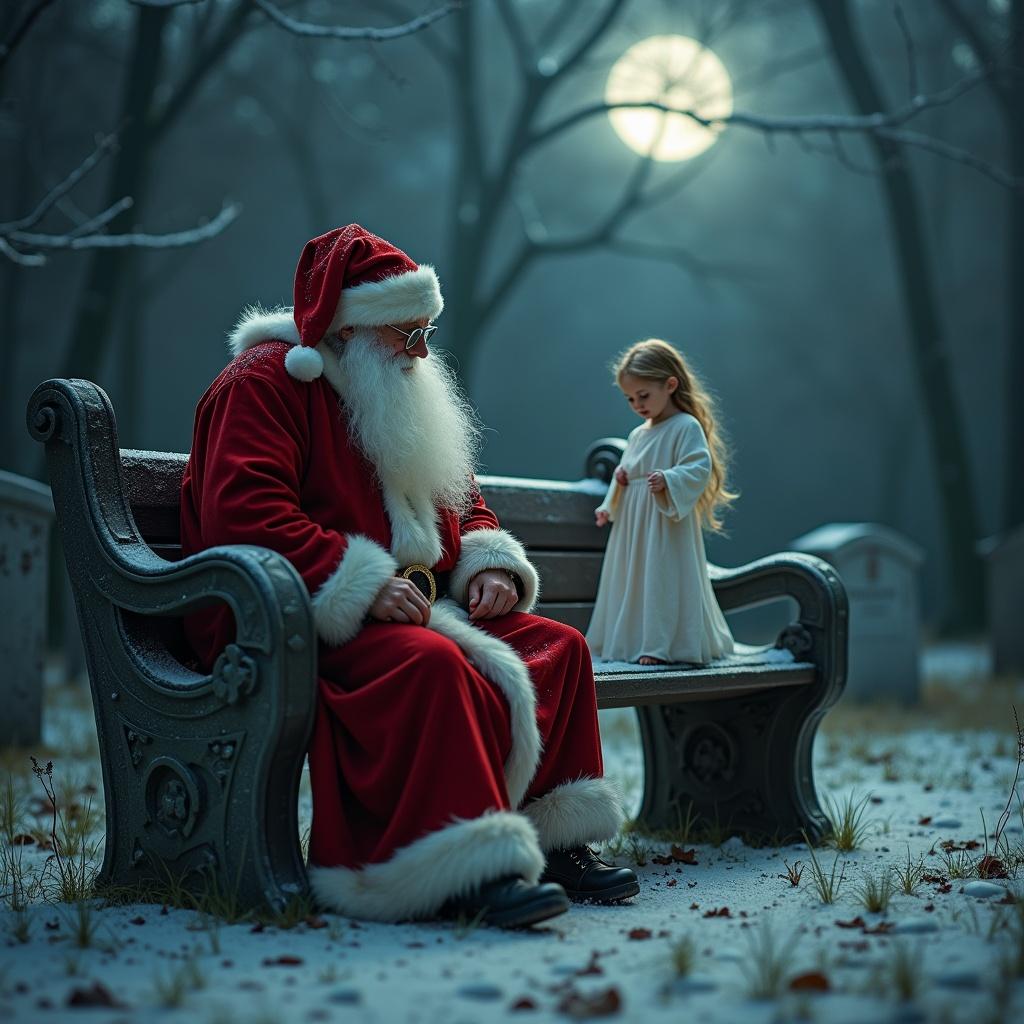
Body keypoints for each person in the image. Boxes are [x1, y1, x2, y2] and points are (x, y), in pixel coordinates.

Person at [179, 224, 638, 928]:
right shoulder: (266, 383)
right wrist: (353, 578)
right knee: (432, 667)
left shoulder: (395, 385)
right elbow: (242, 512)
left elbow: (464, 502)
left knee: (557, 649)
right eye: (406, 334)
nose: (421, 352)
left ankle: (557, 842)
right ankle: (454, 868)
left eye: (425, 331)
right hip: (294, 616)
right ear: (351, 327)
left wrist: (491, 566)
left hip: (414, 607)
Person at [586, 339, 737, 666]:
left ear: (670, 385)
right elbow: (626, 470)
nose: (637, 405)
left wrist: (669, 479)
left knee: (661, 578)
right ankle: (632, 640)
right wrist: (615, 494)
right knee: (633, 580)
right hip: (633, 525)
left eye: (644, 396)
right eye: (630, 398)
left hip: (664, 522)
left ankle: (661, 645)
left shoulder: (685, 426)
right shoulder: (639, 434)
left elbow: (699, 466)